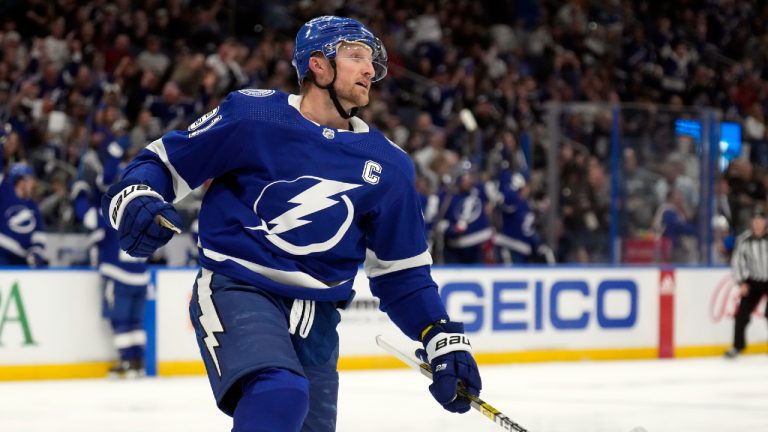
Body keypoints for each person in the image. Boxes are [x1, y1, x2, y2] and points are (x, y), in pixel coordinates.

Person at [100, 16, 482, 432]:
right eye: (356, 56)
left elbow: (402, 273)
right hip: (238, 287)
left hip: (318, 320)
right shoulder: (254, 115)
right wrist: (136, 196)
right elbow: (163, 162)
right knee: (278, 393)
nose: (370, 69)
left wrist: (439, 334)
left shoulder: (389, 165)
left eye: (371, 61)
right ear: (317, 65)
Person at [73, 140, 150, 378]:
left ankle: (128, 362)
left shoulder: (109, 213)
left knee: (120, 320)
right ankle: (138, 362)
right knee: (135, 321)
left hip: (119, 275)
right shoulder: (141, 211)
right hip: (141, 277)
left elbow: (85, 216)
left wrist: (80, 191)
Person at [725, 206, 768, 358]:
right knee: (741, 314)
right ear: (751, 222)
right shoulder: (744, 240)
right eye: (755, 220)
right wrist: (741, 282)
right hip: (754, 280)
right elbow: (737, 262)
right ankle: (737, 346)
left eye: (761, 220)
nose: (758, 223)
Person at [0, 162, 47, 267]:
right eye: (30, 179)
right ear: (21, 181)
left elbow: (39, 233)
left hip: (23, 261)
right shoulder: (3, 195)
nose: (33, 183)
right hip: (3, 257)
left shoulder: (32, 205)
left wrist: (36, 252)